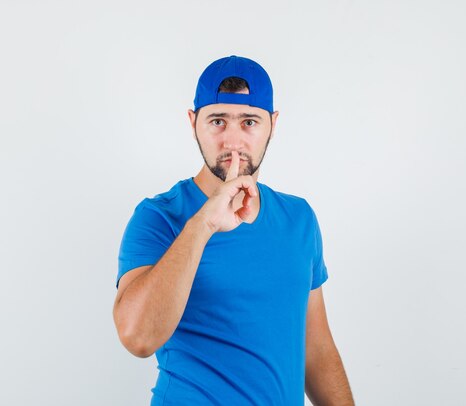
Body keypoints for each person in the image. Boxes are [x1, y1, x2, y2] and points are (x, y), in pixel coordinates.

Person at [112, 55, 354, 405]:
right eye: (218, 121)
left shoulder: (298, 218)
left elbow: (316, 349)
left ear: (273, 123)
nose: (232, 141)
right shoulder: (159, 217)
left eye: (249, 122)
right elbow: (137, 337)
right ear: (193, 122)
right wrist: (205, 223)